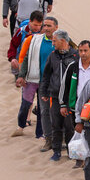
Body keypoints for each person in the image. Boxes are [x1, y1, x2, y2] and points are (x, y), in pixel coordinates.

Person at [17, 16, 60, 151]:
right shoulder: (35, 40)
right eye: (45, 26)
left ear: (56, 27)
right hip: (37, 80)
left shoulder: (61, 41)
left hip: (54, 83)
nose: (46, 28)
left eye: (49, 26)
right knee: (36, 108)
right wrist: (21, 75)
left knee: (51, 111)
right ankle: (41, 135)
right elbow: (26, 59)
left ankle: (49, 137)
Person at [59, 40, 90, 168]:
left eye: (85, 51)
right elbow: (64, 85)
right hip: (75, 104)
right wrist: (63, 104)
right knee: (76, 129)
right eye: (80, 51)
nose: (83, 53)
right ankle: (79, 159)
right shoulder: (73, 66)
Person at [40, 30, 78, 161]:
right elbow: (46, 75)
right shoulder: (53, 56)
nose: (52, 43)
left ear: (63, 41)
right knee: (56, 124)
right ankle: (56, 151)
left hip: (70, 98)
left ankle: (70, 150)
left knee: (69, 126)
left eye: (54, 41)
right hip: (55, 96)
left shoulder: (76, 56)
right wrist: (44, 92)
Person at [7, 10, 44, 137]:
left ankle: (40, 132)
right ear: (30, 22)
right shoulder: (23, 33)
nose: (37, 28)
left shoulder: (44, 36)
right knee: (26, 101)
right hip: (26, 72)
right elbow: (15, 48)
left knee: (41, 105)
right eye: (35, 25)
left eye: (40, 25)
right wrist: (12, 59)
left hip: (42, 76)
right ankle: (21, 125)